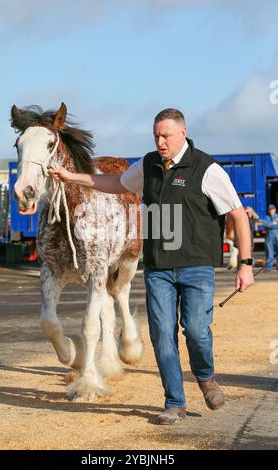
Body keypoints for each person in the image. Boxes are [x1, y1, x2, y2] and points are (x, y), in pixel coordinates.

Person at [49, 108, 254, 424]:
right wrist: (72, 176)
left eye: (166, 135)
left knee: (197, 331)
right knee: (161, 335)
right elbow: (116, 183)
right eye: (156, 135)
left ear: (182, 134)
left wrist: (246, 264)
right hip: (158, 268)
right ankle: (174, 402)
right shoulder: (148, 165)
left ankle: (206, 377)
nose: (160, 141)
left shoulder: (207, 169)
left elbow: (238, 215)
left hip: (197, 266)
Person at [262, 204, 278, 271]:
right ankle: (268, 267)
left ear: (275, 210)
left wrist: (271, 224)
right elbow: (265, 224)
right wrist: (274, 224)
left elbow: (269, 225)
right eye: (270, 210)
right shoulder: (266, 217)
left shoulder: (277, 216)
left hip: (277, 235)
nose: (271, 211)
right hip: (269, 237)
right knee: (269, 252)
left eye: (272, 209)